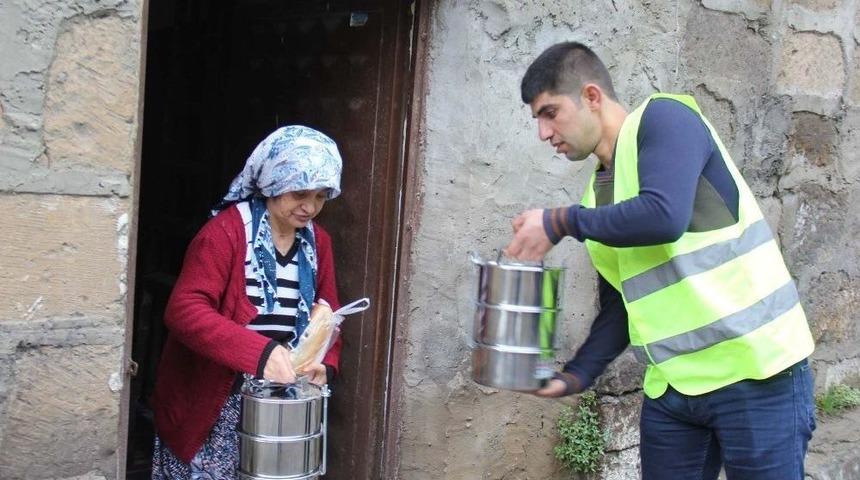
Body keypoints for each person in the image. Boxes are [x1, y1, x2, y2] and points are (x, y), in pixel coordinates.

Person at [504, 42, 816, 480]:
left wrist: (559, 222)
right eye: (536, 118)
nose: (542, 132)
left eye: (550, 112)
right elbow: (622, 306)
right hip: (674, 391)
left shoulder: (666, 118)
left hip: (755, 373)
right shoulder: (597, 199)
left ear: (591, 97)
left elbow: (664, 215)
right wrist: (575, 376)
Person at [149, 125, 344, 479]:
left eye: (320, 196)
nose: (310, 207)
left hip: (277, 400)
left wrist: (323, 363)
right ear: (272, 184)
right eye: (300, 192)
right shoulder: (225, 233)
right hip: (214, 402)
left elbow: (328, 312)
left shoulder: (319, 243)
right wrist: (261, 353)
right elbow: (184, 310)